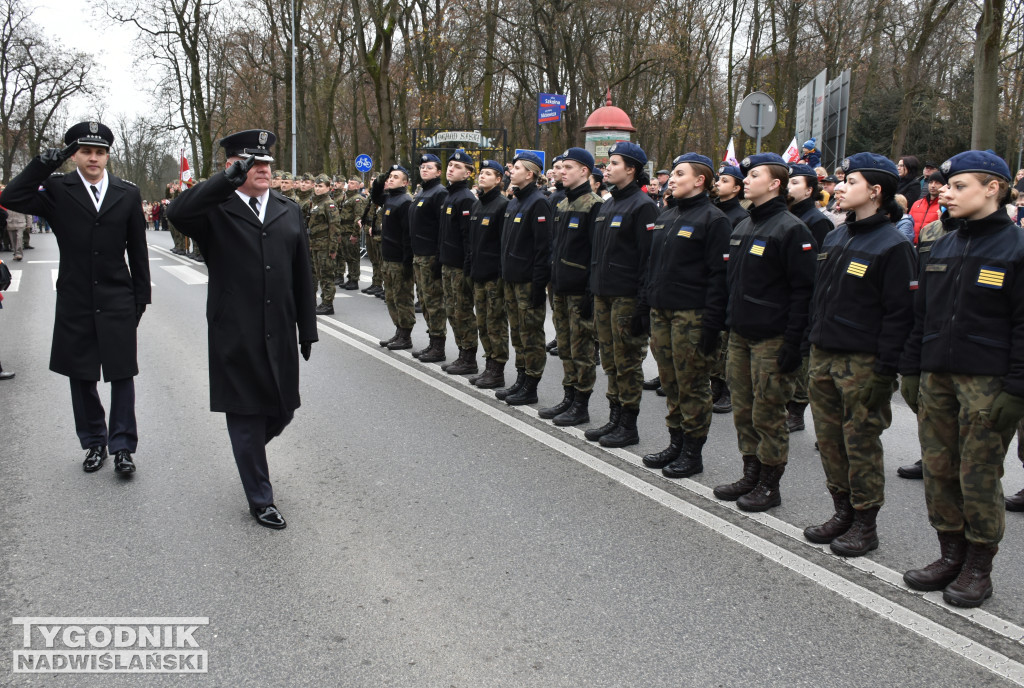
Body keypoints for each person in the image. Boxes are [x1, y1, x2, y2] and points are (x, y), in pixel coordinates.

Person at [166, 129, 317, 530]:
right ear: (234, 166)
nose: (263, 169)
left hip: (281, 327)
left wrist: (308, 328)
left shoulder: (289, 209)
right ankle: (260, 497)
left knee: (283, 411)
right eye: (254, 163)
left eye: (267, 162)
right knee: (246, 413)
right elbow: (177, 214)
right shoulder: (215, 210)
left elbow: (303, 272)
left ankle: (247, 450)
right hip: (236, 328)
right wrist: (225, 181)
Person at [901, 150, 1024, 607]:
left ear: (993, 188)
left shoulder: (1016, 249)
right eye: (944, 186)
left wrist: (1016, 389)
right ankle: (949, 553)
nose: (944, 194)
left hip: (987, 383)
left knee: (978, 477)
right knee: (937, 471)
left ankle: (978, 566)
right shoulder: (942, 244)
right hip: (937, 377)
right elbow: (922, 315)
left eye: (957, 187)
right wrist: (911, 369)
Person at [0, 120, 150, 474]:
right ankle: (94, 443)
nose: (93, 158)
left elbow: (138, 250)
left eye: (100, 152)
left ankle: (123, 446)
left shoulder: (127, 193)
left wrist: (140, 299)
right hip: (76, 296)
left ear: (108, 156)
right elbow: (10, 197)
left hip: (117, 295)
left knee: (121, 373)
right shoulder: (56, 188)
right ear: (74, 156)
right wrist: (43, 163)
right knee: (81, 374)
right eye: (86, 152)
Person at [803, 153, 916, 557]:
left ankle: (865, 524)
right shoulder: (835, 237)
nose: (840, 188)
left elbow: (899, 314)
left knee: (860, 443)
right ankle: (842, 511)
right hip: (824, 355)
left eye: (850, 182)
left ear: (875, 191)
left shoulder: (894, 246)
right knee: (830, 440)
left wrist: (886, 372)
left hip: (863, 362)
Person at [712, 153, 817, 511]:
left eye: (754, 174)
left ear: (775, 184)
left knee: (768, 414)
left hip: (773, 338)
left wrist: (794, 342)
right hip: (740, 335)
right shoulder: (743, 226)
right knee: (743, 410)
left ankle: (770, 486)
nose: (747, 179)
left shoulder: (791, 228)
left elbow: (804, 290)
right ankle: (750, 473)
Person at [641, 153, 731, 477]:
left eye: (680, 173)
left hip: (692, 315)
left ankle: (693, 452)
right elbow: (652, 265)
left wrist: (712, 324)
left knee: (692, 384)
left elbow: (719, 276)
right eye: (673, 174)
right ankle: (675, 443)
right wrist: (645, 303)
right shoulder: (667, 215)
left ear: (699, 180)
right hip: (661, 312)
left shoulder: (714, 219)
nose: (672, 178)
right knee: (670, 382)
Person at [584, 142, 659, 447]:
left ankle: (628, 425)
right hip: (604, 295)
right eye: (607, 163)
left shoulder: (643, 206)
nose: (607, 168)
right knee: (611, 361)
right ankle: (614, 418)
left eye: (614, 163)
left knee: (627, 361)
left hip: (627, 297)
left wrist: (642, 306)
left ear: (631, 169)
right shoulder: (608, 204)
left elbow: (647, 260)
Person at [541, 147, 602, 426]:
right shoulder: (563, 205)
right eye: (560, 167)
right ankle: (568, 396)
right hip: (561, 288)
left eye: (568, 167)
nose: (560, 171)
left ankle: (581, 404)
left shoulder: (594, 205)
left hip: (580, 291)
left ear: (584, 171)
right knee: (565, 347)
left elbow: (595, 254)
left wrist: (591, 291)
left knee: (582, 350)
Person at [494, 151, 551, 405]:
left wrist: (539, 285)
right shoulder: (515, 201)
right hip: (511, 279)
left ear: (530, 173)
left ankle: (531, 384)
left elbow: (543, 248)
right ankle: (520, 379)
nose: (511, 171)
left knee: (531, 335)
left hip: (528, 281)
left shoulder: (538, 203)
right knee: (517, 334)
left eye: (516, 168)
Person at [785, 163, 834, 433]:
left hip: (807, 299)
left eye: (795, 183)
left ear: (809, 190)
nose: (789, 187)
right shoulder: (787, 216)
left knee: (802, 355)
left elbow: (817, 267)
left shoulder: (817, 221)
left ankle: (797, 408)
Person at [709, 164, 750, 414]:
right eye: (718, 180)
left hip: (729, 282)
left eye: (724, 180)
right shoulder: (715, 211)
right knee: (716, 341)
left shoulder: (740, 217)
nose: (718, 184)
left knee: (725, 342)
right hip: (715, 281)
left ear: (736, 188)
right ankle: (715, 384)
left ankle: (726, 389)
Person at [467, 160, 510, 389]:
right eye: (481, 173)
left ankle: (497, 369)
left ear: (499, 179)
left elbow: (503, 244)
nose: (482, 176)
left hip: (493, 276)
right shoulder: (477, 205)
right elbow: (472, 242)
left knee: (495, 324)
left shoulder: (502, 205)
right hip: (478, 274)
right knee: (483, 323)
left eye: (488, 173)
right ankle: (488, 365)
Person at [437, 150, 479, 375]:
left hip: (459, 266)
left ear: (468, 173)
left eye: (457, 166)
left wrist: (467, 267)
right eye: (450, 165)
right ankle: (462, 352)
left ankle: (469, 356)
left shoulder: (465, 198)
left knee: (462, 310)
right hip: (448, 263)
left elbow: (467, 237)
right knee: (452, 311)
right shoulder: (449, 196)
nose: (451, 168)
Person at [408, 154, 450, 363]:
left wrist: (438, 257)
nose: (424, 170)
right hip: (419, 254)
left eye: (429, 167)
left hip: (430, 255)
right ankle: (432, 342)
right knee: (424, 300)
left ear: (438, 172)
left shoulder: (439, 193)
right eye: (422, 167)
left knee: (434, 302)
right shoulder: (423, 192)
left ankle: (438, 345)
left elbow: (442, 228)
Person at [373, 165, 416, 350]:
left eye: (395, 177)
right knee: (390, 298)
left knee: (402, 298)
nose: (390, 179)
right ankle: (399, 331)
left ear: (405, 183)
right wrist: (383, 176)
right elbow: (375, 194)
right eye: (390, 176)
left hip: (399, 259)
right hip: (388, 257)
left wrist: (408, 262)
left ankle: (406, 336)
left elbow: (408, 235)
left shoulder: (405, 201)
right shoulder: (390, 198)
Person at [308, 174, 342, 315]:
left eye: (320, 186)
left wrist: (333, 248)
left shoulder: (329, 204)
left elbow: (334, 227)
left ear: (328, 188)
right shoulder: (316, 203)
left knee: (327, 275)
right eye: (316, 186)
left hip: (325, 245)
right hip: (315, 245)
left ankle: (328, 304)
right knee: (318, 275)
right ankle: (320, 302)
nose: (317, 189)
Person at [909, 171, 944, 241]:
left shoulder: (944, 206)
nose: (933, 185)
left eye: (937, 183)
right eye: (930, 182)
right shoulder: (917, 204)